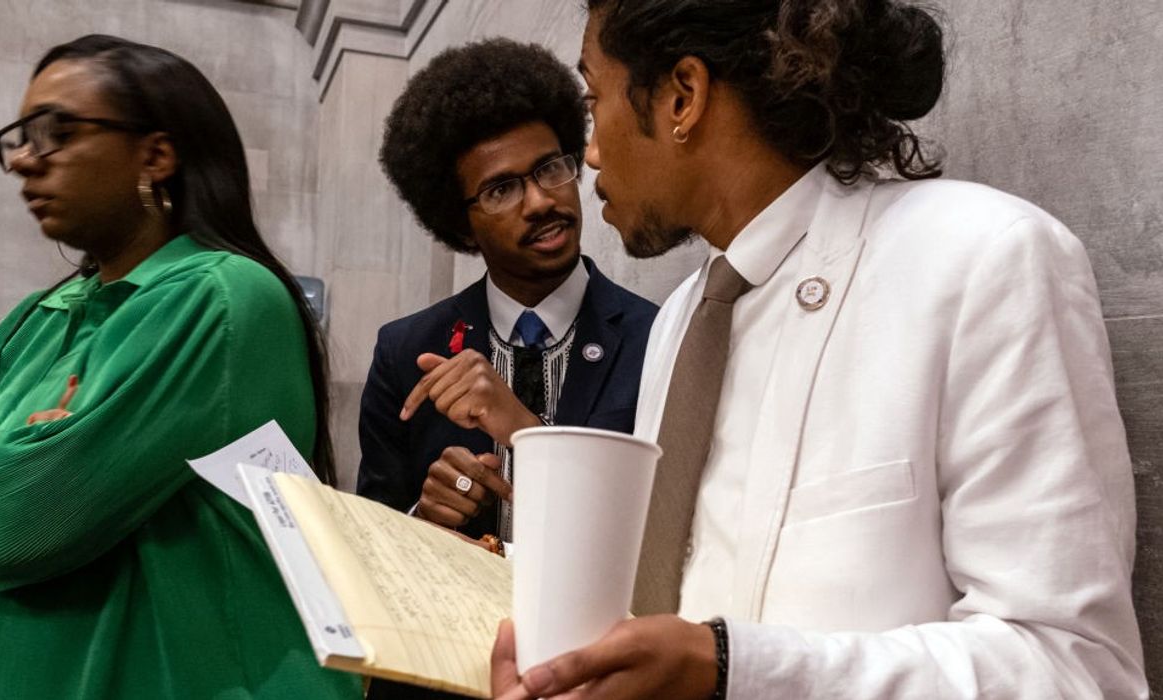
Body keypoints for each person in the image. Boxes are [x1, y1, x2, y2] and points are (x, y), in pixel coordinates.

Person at [490, 1, 1146, 698]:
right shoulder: (681, 319)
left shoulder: (985, 260)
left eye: (595, 99)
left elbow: (1076, 668)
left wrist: (730, 670)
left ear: (682, 95)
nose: (589, 152)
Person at [0, 35, 360, 699]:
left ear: (156, 154)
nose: (25, 163)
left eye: (57, 131)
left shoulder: (221, 295)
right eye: (20, 137)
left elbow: (12, 524)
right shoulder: (32, 321)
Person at [357, 38, 657, 544]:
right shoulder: (406, 352)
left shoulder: (654, 339)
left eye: (550, 168)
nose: (540, 201)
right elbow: (372, 538)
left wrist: (526, 432)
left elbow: (660, 531)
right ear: (461, 223)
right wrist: (423, 517)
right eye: (501, 190)